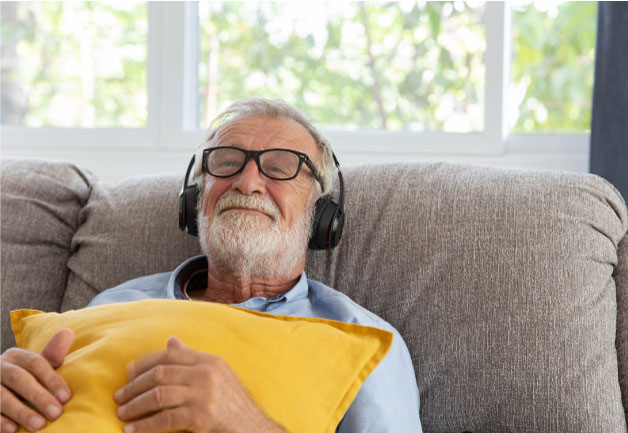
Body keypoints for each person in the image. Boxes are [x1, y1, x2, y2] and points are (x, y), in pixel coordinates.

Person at [0, 98, 422, 433]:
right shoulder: (112, 305)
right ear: (194, 201)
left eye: (279, 168)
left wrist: (243, 423)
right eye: (225, 162)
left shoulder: (366, 341)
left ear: (322, 213)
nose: (246, 181)